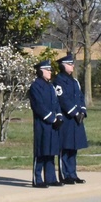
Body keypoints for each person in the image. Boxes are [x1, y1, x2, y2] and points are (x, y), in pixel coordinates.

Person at [53, 52, 87, 185]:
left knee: (74, 148)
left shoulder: (75, 81)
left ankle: (73, 174)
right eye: (70, 64)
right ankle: (64, 175)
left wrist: (82, 111)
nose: (73, 66)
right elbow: (63, 99)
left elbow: (80, 97)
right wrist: (74, 113)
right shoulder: (58, 81)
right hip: (67, 120)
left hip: (76, 120)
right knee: (65, 148)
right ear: (63, 66)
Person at [28, 60, 63, 188]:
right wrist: (52, 118)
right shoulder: (35, 86)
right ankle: (37, 179)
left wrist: (59, 116)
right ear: (40, 71)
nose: (50, 72)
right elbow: (38, 106)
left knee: (51, 151)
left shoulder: (50, 86)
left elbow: (56, 103)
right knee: (41, 151)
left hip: (53, 124)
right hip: (42, 124)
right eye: (47, 70)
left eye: (50, 70)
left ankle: (51, 178)